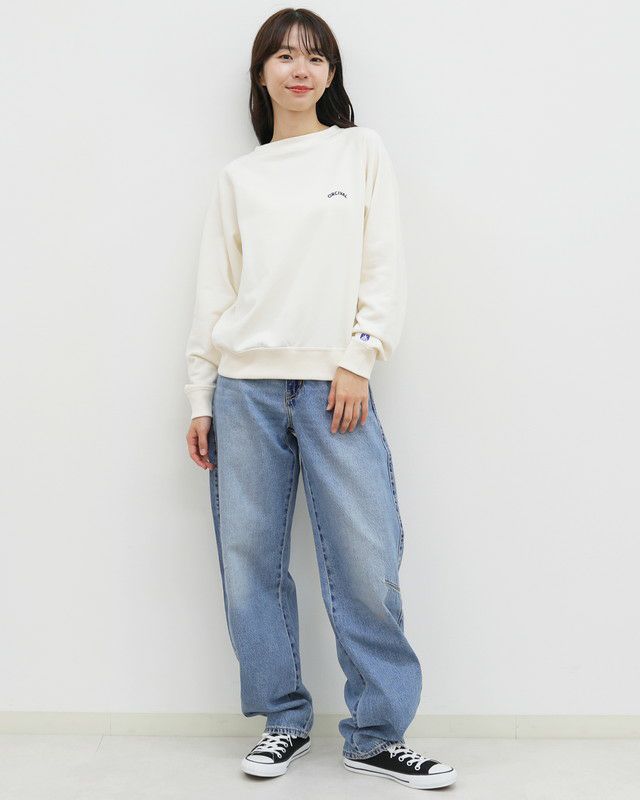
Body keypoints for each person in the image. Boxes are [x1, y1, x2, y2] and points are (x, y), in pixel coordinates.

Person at [183, 8, 457, 791]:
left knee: (367, 559)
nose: (299, 69)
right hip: (244, 388)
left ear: (331, 74)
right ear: (261, 73)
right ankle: (284, 720)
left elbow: (383, 264)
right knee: (249, 563)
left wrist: (359, 357)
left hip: (337, 383)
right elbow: (214, 293)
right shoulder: (239, 178)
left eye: (314, 57)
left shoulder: (359, 150)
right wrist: (199, 394)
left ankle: (377, 733)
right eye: (283, 56)